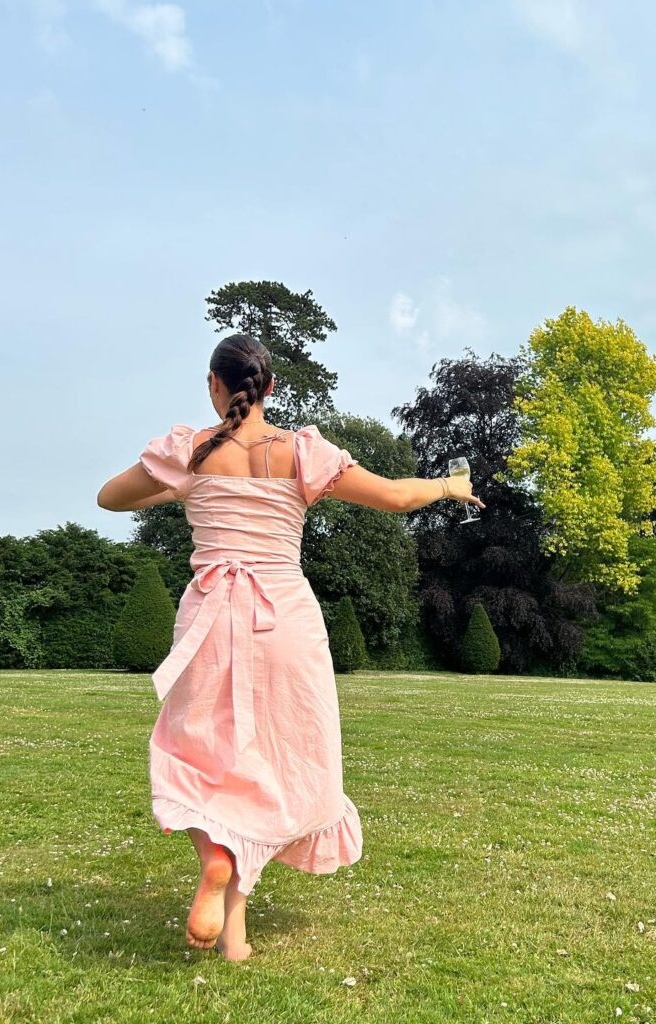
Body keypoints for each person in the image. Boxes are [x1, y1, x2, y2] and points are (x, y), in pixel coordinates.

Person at [96, 332, 484, 961]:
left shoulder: (189, 451)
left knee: (193, 752)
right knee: (274, 764)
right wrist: (446, 487)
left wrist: (180, 486)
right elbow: (390, 495)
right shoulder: (303, 452)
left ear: (213, 385)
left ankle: (216, 860)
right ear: (269, 387)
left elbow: (109, 497)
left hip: (211, 619)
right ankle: (235, 944)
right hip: (286, 620)